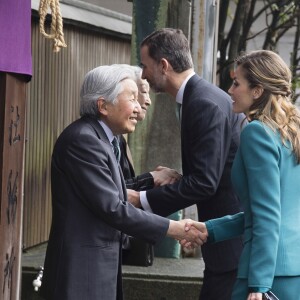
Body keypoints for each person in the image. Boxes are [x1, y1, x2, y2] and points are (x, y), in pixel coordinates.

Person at [40, 64, 204, 300]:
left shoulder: (101, 140)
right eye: (132, 98)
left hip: (98, 266)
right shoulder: (83, 141)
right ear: (103, 105)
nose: (139, 108)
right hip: (81, 272)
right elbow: (114, 207)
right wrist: (174, 229)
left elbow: (117, 193)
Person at [127, 28, 245, 300]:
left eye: (145, 66)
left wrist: (141, 200)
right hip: (225, 238)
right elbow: (213, 170)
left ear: (164, 65)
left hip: (230, 244)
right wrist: (178, 177)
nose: (143, 74)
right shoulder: (200, 97)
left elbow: (205, 182)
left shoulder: (202, 102)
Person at [186, 50, 300, 300]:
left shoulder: (257, 132)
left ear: (258, 91)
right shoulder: (292, 132)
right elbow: (269, 210)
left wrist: (258, 284)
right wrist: (210, 229)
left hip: (267, 277)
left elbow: (268, 214)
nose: (230, 90)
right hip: (291, 271)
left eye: (237, 83)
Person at [117, 65, 181, 191]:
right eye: (144, 92)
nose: (148, 101)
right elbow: (110, 193)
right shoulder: (90, 139)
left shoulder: (118, 137)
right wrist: (152, 177)